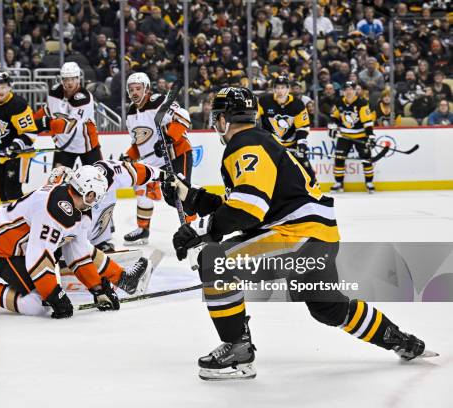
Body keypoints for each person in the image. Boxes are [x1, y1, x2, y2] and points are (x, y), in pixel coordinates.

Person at [163, 86, 433, 381]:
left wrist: (202, 230)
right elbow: (246, 208)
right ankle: (400, 340)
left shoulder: (245, 144)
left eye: (216, 117)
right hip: (318, 237)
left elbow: (249, 209)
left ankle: (238, 350)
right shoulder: (259, 141)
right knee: (327, 307)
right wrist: (190, 196)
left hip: (296, 236)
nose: (215, 124)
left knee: (214, 261)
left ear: (224, 118)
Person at [0, 166, 152, 317]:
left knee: (74, 251)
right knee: (37, 306)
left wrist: (98, 288)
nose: (97, 200)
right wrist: (53, 295)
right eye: (97, 196)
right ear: (89, 193)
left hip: (25, 246)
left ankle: (121, 278)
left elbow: (78, 252)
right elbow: (38, 257)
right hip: (4, 248)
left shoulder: (79, 208)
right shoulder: (54, 209)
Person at [122, 72, 193, 245]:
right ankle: (143, 230)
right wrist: (128, 156)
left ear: (146, 88)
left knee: (180, 194)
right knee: (142, 190)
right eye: (131, 90)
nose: (134, 93)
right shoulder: (131, 113)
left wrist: (169, 138)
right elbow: (139, 143)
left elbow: (184, 117)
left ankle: (192, 229)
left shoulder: (158, 102)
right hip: (153, 160)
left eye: (138, 88)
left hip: (176, 153)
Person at [0, 71, 37, 202]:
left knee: (12, 191)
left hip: (17, 155)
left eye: (4, 87)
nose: (0, 90)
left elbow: (30, 133)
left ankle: (20, 220)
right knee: (0, 193)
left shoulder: (18, 105)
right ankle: (7, 220)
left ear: (10, 87)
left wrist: (14, 146)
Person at [34, 62, 102, 168]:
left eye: (73, 79)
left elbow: (69, 125)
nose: (69, 83)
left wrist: (44, 123)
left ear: (78, 78)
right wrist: (30, 123)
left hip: (87, 145)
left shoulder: (84, 97)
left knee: (97, 180)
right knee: (58, 183)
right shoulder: (56, 92)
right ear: (61, 80)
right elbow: (47, 110)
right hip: (64, 147)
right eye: (66, 79)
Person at [328, 81, 375, 194]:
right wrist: (332, 128)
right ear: (343, 91)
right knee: (339, 158)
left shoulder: (362, 103)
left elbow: (367, 121)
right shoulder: (338, 101)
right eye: (346, 89)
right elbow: (334, 117)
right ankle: (339, 183)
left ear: (355, 91)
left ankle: (369, 182)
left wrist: (370, 136)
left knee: (366, 158)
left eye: (351, 89)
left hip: (360, 135)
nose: (348, 92)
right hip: (344, 135)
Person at [258, 76, 312, 172]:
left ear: (288, 89)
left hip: (292, 145)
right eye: (277, 87)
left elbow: (302, 127)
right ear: (273, 89)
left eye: (282, 87)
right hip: (271, 145)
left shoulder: (298, 104)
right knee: (267, 171)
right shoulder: (264, 101)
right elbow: (253, 118)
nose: (280, 90)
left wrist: (301, 144)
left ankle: (313, 186)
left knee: (305, 170)